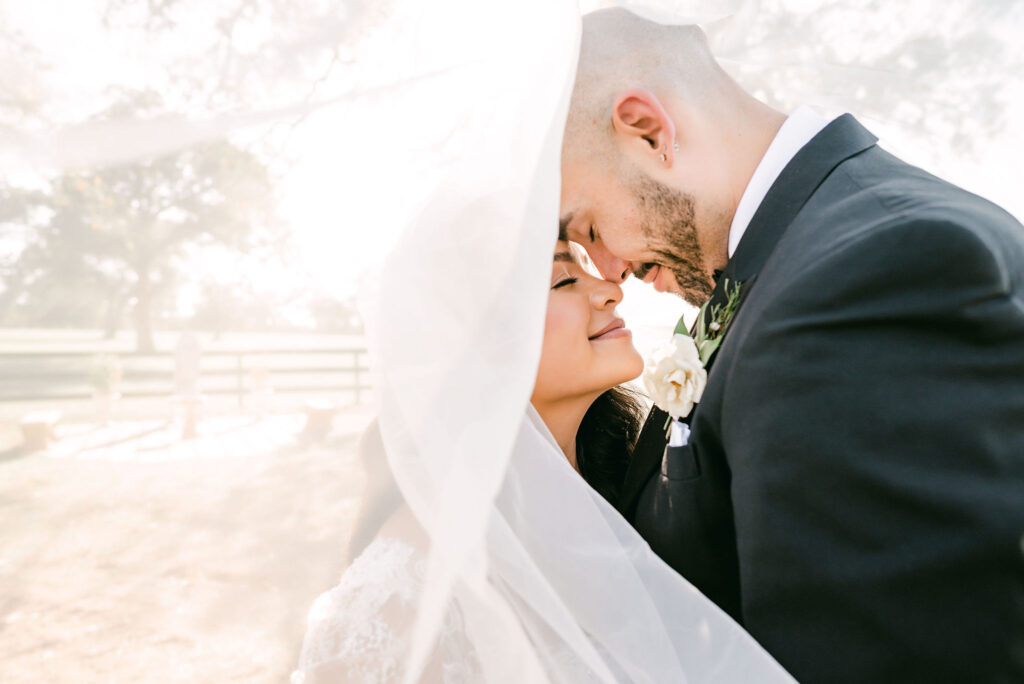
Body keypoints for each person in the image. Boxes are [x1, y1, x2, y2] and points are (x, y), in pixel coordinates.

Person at [559, 8, 1024, 683]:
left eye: (593, 227)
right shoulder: (798, 258)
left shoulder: (864, 278)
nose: (608, 270)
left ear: (648, 130)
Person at [291, 239, 642, 682]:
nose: (612, 290)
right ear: (477, 351)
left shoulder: (621, 489)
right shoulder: (397, 600)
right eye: (564, 279)